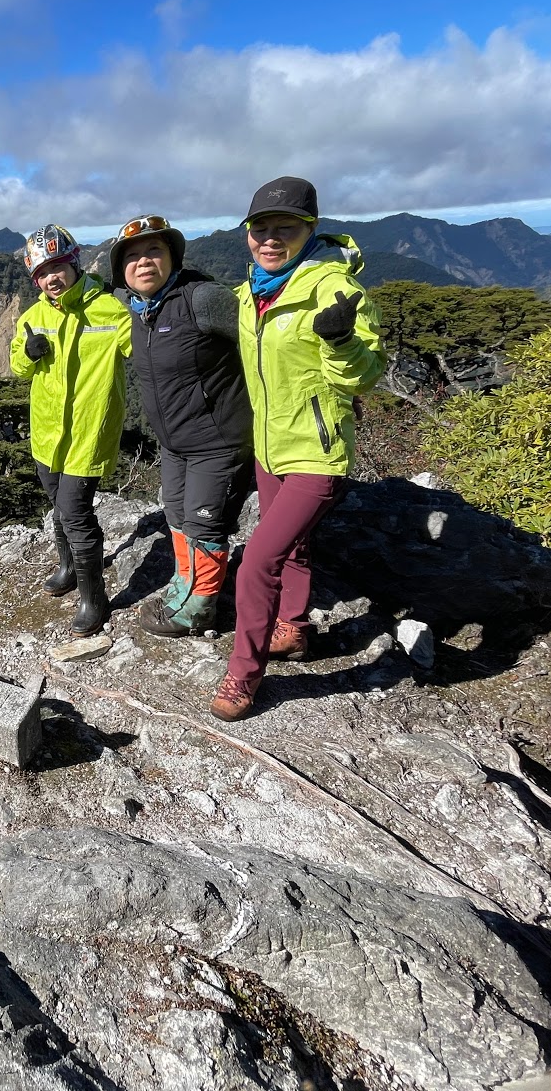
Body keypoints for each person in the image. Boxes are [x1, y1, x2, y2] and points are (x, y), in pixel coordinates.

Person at [211, 177, 385, 722]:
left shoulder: (335, 290)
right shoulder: (251, 292)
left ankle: (244, 674)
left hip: (317, 451)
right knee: (294, 547)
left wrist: (342, 340)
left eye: (284, 228)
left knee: (257, 562)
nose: (269, 238)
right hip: (270, 445)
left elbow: (364, 377)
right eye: (259, 228)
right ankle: (293, 627)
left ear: (310, 229)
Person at [110, 215, 253, 637]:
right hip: (174, 442)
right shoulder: (139, 309)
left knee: (205, 522)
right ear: (121, 270)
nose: (144, 261)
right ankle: (184, 585)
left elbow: (263, 345)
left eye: (154, 250)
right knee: (175, 512)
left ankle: (200, 608)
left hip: (219, 440)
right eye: (132, 256)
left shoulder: (203, 300)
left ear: (173, 256)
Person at [10, 224, 132, 636]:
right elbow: (17, 366)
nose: (51, 278)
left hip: (89, 433)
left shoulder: (110, 309)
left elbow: (145, 349)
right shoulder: (34, 318)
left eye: (57, 266)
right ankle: (67, 568)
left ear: (75, 263)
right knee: (58, 506)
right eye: (42, 272)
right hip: (47, 434)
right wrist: (29, 355)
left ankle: (93, 599)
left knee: (76, 513)